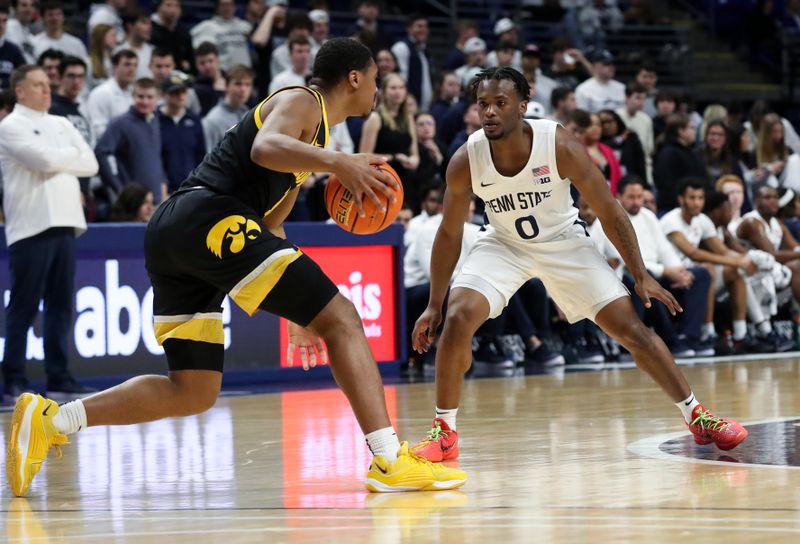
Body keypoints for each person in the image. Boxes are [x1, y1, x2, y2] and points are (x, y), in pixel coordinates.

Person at [6, 37, 466, 498]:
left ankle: (52, 419)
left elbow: (272, 224)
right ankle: (388, 459)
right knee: (344, 317)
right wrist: (337, 163)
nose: (377, 88)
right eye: (375, 79)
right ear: (354, 78)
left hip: (178, 232)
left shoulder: (312, 139)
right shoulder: (302, 101)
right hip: (209, 216)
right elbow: (265, 147)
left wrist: (299, 315)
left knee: (193, 388)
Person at [408, 66, 747, 464]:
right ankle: (444, 432)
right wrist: (434, 303)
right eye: (483, 104)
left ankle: (697, 415)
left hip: (564, 242)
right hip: (503, 243)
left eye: (500, 103)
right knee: (459, 315)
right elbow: (449, 234)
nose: (490, 113)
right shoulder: (466, 159)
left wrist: (640, 274)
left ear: (523, 105)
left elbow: (609, 210)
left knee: (632, 330)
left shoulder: (559, 145)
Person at [0, 65, 98, 403]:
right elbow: (40, 160)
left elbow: (92, 164)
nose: (47, 89)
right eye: (38, 85)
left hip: (67, 222)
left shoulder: (62, 123)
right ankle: (12, 378)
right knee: (24, 306)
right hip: (31, 226)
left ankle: (60, 377)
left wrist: (63, 159)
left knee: (61, 306)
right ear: (20, 91)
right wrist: (70, 157)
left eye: (47, 84)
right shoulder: (10, 126)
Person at [660, 178, 756, 350]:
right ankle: (707, 332)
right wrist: (737, 261)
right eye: (692, 198)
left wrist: (746, 260)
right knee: (707, 269)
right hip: (669, 276)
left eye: (700, 198)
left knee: (734, 272)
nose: (697, 203)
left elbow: (722, 250)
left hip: (693, 276)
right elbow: (693, 253)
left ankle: (741, 335)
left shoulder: (702, 220)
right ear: (681, 199)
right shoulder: (671, 221)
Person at [95, 77, 169, 203]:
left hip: (156, 199)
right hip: (133, 204)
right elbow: (102, 153)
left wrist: (163, 181)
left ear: (157, 98)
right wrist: (119, 189)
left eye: (150, 97)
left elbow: (155, 156)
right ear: (132, 96)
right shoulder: (119, 123)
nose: (145, 102)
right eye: (140, 96)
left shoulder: (155, 121)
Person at [359, 72, 419, 210]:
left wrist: (413, 160)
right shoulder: (375, 118)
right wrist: (395, 158)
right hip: (383, 179)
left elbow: (415, 154)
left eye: (401, 88)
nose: (398, 92)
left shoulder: (408, 118)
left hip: (406, 179)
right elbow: (364, 157)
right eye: (393, 88)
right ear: (383, 92)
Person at [158, 71, 205, 193]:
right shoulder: (155, 120)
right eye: (175, 92)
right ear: (163, 94)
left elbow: (201, 155)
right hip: (164, 189)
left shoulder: (194, 120)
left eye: (184, 91)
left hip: (190, 187)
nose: (181, 96)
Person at [653, 113, 707, 212]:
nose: (694, 131)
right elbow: (667, 185)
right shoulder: (668, 153)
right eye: (691, 128)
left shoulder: (692, 152)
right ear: (681, 131)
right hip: (672, 209)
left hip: (692, 207)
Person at [86, 48, 136, 138]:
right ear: (115, 67)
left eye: (134, 65)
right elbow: (98, 131)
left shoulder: (135, 94)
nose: (132, 69)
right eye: (127, 65)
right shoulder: (100, 93)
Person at [202, 63, 253, 150]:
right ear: (226, 85)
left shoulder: (249, 114)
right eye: (238, 84)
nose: (243, 89)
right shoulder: (213, 120)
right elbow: (208, 157)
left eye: (247, 84)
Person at [190, 0, 252, 70]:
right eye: (223, 5)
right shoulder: (206, 27)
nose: (227, 8)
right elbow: (202, 54)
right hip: (222, 72)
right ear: (217, 7)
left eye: (230, 5)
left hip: (244, 72)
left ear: (234, 7)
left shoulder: (245, 26)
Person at [391, 14, 432, 112]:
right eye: (419, 26)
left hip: (423, 109)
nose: (423, 30)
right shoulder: (401, 47)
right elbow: (400, 78)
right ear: (409, 29)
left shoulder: (425, 52)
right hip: (405, 107)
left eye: (425, 27)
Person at [150, 0, 193, 74]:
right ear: (158, 8)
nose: (173, 10)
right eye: (169, 5)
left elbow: (190, 60)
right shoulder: (150, 30)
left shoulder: (184, 33)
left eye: (177, 6)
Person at [116, 7, 153, 79]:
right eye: (144, 23)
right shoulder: (118, 52)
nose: (149, 27)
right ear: (130, 26)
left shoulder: (153, 51)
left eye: (149, 23)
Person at [0, 2, 26, 90]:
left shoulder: (13, 50)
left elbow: (24, 76)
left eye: (4, 21)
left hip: (7, 98)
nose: (1, 25)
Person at [87, 23, 117, 89]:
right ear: (102, 37)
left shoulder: (116, 60)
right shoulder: (89, 63)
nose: (116, 39)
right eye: (112, 36)